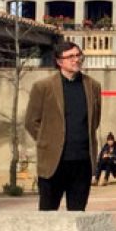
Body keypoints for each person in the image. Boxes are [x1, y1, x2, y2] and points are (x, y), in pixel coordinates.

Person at [25, 42, 101, 211]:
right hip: (54, 162)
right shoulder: (43, 87)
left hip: (82, 162)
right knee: (48, 214)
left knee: (77, 216)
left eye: (78, 55)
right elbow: (31, 121)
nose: (76, 60)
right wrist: (48, 140)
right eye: (71, 57)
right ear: (59, 62)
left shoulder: (93, 86)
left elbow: (94, 121)